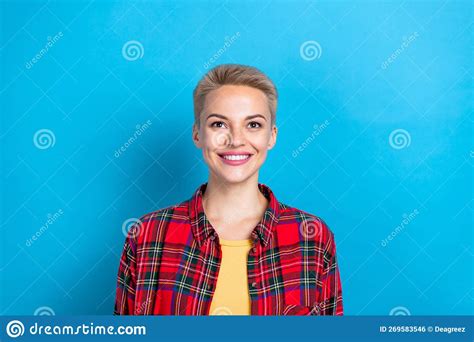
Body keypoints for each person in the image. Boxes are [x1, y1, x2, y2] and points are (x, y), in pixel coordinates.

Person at [114, 64, 343, 315]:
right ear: (197, 134)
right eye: (219, 124)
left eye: (253, 125)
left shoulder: (312, 237)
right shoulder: (148, 235)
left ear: (271, 136)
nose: (235, 140)